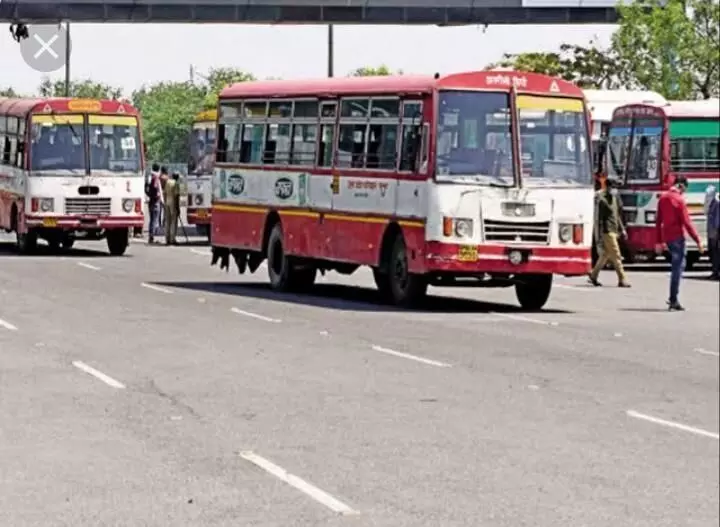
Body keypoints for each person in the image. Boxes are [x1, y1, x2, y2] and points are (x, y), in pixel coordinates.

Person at [655, 175, 704, 311]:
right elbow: (687, 223)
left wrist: (658, 241)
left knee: (677, 266)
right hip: (677, 238)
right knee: (678, 268)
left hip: (667, 237)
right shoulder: (679, 200)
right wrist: (698, 240)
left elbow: (658, 221)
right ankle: (673, 299)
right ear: (681, 186)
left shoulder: (663, 198)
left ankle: (673, 298)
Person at [588, 177, 631, 288]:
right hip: (607, 231)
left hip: (614, 230)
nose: (614, 189)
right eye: (612, 186)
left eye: (615, 187)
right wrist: (599, 236)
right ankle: (622, 279)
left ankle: (593, 275)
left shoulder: (614, 199)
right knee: (617, 255)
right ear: (607, 187)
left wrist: (622, 229)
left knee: (605, 255)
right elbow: (599, 220)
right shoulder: (602, 200)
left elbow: (616, 216)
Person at [704, 185, 720, 280]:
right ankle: (715, 271)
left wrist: (716, 231)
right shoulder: (710, 203)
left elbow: (717, 219)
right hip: (711, 231)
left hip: (714, 232)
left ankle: (715, 272)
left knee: (715, 253)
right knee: (712, 252)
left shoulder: (716, 203)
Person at [145, 164, 163, 244]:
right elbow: (156, 187)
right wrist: (157, 194)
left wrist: (149, 194)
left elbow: (146, 188)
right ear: (158, 170)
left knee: (152, 219)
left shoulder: (150, 177)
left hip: (151, 201)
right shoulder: (156, 178)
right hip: (155, 202)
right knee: (154, 220)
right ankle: (152, 237)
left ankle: (150, 236)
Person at [163, 172, 181, 245]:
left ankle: (167, 239)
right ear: (177, 178)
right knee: (173, 221)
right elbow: (176, 196)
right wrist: (178, 207)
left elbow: (164, 193)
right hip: (173, 202)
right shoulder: (176, 183)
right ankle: (172, 239)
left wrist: (164, 202)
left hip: (167, 201)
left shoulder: (168, 182)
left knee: (167, 221)